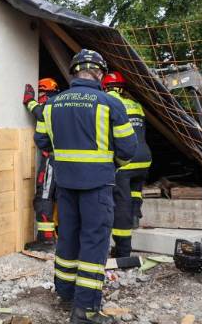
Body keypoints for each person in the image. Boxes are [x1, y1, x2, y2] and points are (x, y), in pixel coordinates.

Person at [35, 49, 137, 324]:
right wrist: (108, 162)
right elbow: (129, 149)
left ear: (73, 71)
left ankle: (65, 292)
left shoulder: (52, 105)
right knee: (94, 243)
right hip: (98, 185)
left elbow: (43, 143)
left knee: (68, 236)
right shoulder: (110, 104)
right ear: (100, 73)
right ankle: (85, 310)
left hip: (65, 184)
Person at [102, 71, 152, 257]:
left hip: (127, 160)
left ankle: (123, 250)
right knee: (134, 192)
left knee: (120, 203)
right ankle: (135, 217)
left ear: (105, 86)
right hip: (145, 157)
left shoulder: (108, 101)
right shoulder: (135, 104)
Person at [23, 78, 60, 250]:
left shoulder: (47, 107)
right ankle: (62, 236)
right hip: (68, 161)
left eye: (41, 94)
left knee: (44, 198)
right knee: (62, 198)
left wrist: (30, 100)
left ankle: (46, 240)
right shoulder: (62, 105)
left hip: (52, 159)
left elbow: (40, 111)